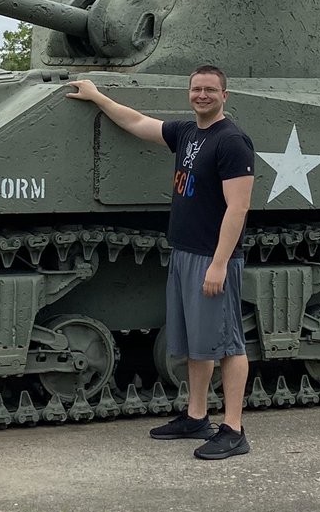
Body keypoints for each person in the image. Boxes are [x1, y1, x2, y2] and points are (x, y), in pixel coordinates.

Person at [67, 65, 254, 460]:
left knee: (227, 343)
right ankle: (196, 416)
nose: (202, 95)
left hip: (211, 257)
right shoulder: (188, 133)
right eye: (196, 88)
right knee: (196, 344)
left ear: (225, 95)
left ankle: (234, 429)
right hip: (185, 252)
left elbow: (238, 208)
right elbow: (137, 122)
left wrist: (219, 264)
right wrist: (98, 97)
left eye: (210, 90)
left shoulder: (232, 141)